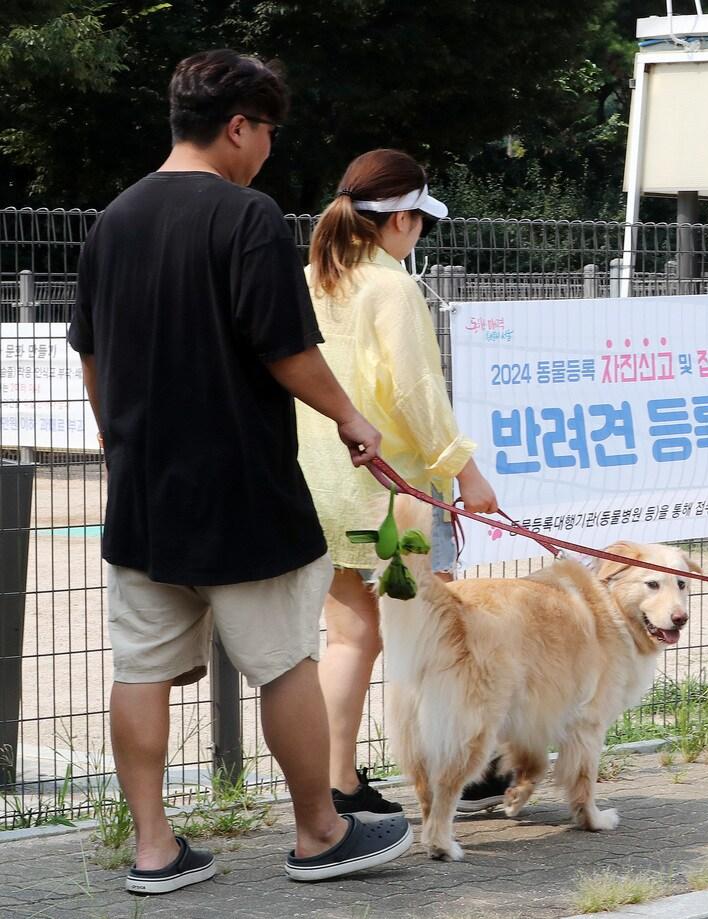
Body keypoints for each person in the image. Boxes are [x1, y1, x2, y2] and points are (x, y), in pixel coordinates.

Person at [68, 50, 411, 894]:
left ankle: (154, 850)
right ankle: (320, 832)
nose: (268, 149)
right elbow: (284, 347)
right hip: (243, 491)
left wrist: (119, 446)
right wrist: (351, 418)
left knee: (140, 668)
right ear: (236, 127)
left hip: (143, 497)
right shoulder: (247, 216)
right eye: (267, 132)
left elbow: (91, 354)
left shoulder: (114, 219)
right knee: (285, 662)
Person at [296, 149, 508, 817]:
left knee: (349, 637)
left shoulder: (313, 278)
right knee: (433, 634)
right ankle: (460, 773)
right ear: (401, 220)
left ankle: (338, 784)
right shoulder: (392, 288)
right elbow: (418, 394)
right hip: (396, 498)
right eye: (421, 221)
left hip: (323, 484)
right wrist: (466, 472)